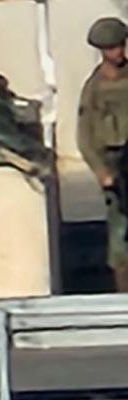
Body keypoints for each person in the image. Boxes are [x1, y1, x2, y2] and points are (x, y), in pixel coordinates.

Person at [77, 17, 128, 291]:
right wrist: (101, 171)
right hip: (114, 164)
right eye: (111, 48)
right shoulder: (94, 88)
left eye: (120, 45)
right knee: (120, 230)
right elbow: (85, 136)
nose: (117, 52)